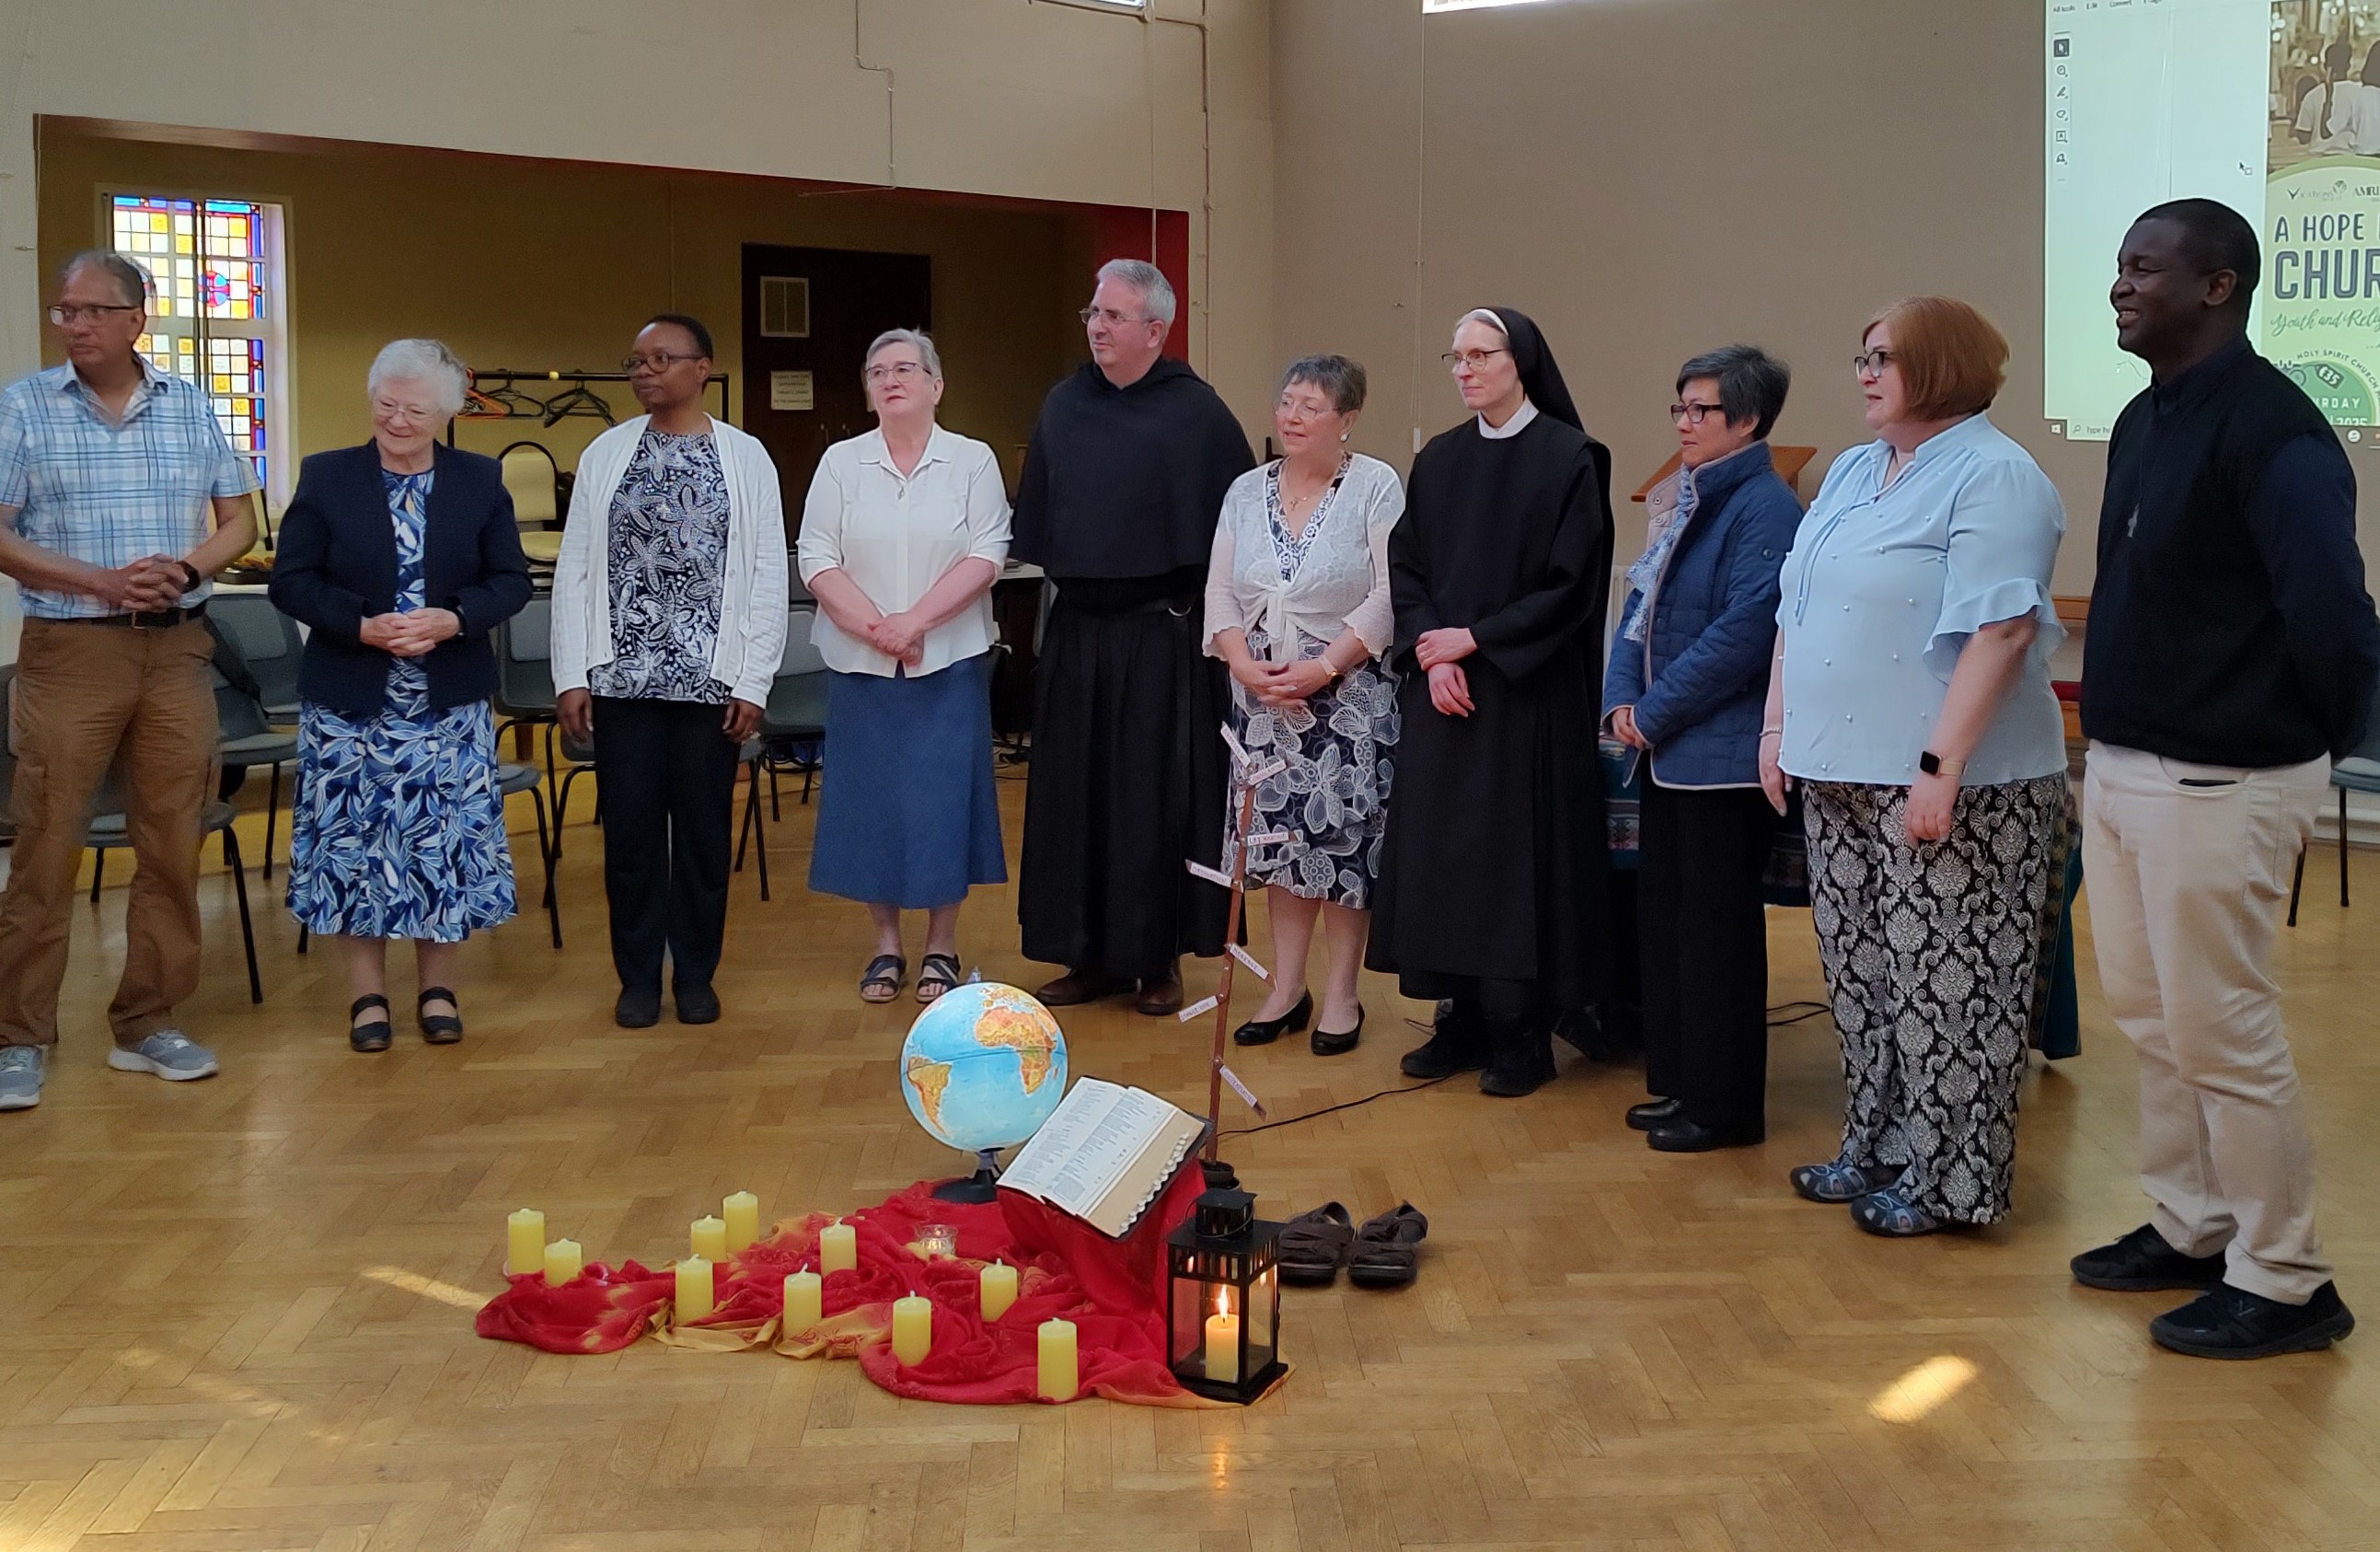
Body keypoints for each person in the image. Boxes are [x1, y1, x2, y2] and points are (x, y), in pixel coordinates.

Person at [2071, 199, 2378, 1359]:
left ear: (2220, 287)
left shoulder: (2276, 429)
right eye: (2116, 263)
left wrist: (2304, 741)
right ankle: (2192, 1225)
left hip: (2225, 781)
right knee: (2155, 1022)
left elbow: (2335, 617)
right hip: (2130, 770)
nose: (2118, 284)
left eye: (2143, 267)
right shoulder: (2148, 418)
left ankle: (2288, 1277)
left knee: (2223, 1033)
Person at [1757, 296, 2069, 1237]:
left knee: (1951, 986)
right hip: (1839, 767)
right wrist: (1777, 728)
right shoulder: (1855, 468)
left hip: (1955, 781)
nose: (1863, 373)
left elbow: (2004, 626)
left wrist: (1940, 765)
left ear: (1939, 366)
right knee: (1863, 977)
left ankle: (1951, 1183)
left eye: (1883, 357)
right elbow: (1796, 607)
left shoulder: (1996, 475)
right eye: (1860, 357)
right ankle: (1880, 1147)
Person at [0, 251, 260, 1111]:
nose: (72, 323)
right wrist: (100, 582)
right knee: (46, 840)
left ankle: (148, 1021)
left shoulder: (187, 404)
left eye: (90, 310)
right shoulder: (24, 407)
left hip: (175, 649)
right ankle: (19, 1036)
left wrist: (185, 571)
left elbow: (240, 520)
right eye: (61, 310)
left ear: (134, 318)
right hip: (71, 652)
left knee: (171, 838)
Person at [1369, 307, 1615, 1098]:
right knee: (1448, 861)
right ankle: (1461, 1018)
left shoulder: (1570, 457)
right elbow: (1406, 567)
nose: (1466, 369)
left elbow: (1570, 584)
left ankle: (1522, 1034)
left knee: (1515, 866)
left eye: (1482, 355)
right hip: (1446, 694)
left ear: (1522, 362)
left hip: (1524, 696)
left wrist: (1474, 641)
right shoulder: (1438, 459)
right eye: (1458, 357)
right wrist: (1430, 652)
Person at [270, 339, 533, 1052]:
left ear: (446, 413)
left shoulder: (479, 480)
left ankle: (439, 988)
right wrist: (360, 627)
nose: (398, 419)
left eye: (416, 408)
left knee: (440, 845)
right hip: (352, 703)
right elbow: (290, 580)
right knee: (354, 848)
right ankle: (367, 998)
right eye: (387, 404)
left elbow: (511, 580)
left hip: (445, 705)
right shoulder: (328, 477)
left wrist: (454, 617)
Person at [1011, 259, 1255, 1015]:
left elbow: (1234, 536)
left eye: (1113, 316)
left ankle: (1156, 960)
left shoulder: (1198, 416)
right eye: (1092, 313)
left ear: (1156, 329)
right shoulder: (1064, 405)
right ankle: (1087, 955)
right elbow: (1042, 523)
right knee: (1074, 797)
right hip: (1080, 634)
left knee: (1154, 802)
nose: (1096, 326)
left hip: (1162, 638)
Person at [551, 314, 787, 1029]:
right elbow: (577, 568)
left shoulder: (745, 458)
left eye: (662, 358)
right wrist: (571, 672)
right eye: (637, 360)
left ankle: (695, 973)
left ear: (702, 368)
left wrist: (753, 683)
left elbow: (768, 573)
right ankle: (636, 979)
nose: (644, 371)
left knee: (704, 836)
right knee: (629, 834)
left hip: (711, 686)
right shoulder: (605, 453)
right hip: (621, 682)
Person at [1603, 345, 1801, 1152]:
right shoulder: (1688, 497)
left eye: (1701, 411)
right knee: (1671, 925)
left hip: (1718, 759)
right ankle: (1682, 1083)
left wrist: (1652, 713)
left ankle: (1724, 1108)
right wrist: (1620, 694)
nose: (1683, 423)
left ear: (1747, 421)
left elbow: (1744, 636)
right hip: (1670, 750)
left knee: (1716, 935)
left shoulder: (1765, 507)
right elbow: (1641, 604)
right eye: (1678, 408)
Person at [799, 330, 1011, 1004]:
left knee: (942, 805)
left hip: (947, 662)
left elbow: (987, 554)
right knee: (873, 806)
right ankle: (886, 946)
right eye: (877, 371)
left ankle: (941, 946)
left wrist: (913, 624)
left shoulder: (972, 461)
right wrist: (878, 629)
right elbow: (816, 557)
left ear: (936, 385)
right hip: (861, 665)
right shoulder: (840, 462)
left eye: (906, 369)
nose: (891, 380)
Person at [1203, 354, 1403, 1056]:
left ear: (1346, 419)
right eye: (1286, 402)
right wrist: (1241, 662)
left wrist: (1323, 666)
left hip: (1346, 694)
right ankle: (1286, 989)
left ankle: (1342, 995)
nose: (1291, 416)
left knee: (1343, 847)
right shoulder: (1244, 489)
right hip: (1262, 696)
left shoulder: (1377, 486)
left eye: (1310, 406)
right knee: (1282, 849)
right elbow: (1220, 589)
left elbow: (1389, 591)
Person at [2292, 41, 2365, 156]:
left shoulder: (2312, 95)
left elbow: (2303, 137)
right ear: (2349, 66)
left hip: (2319, 161)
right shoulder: (2361, 93)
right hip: (2351, 159)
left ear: (2325, 66)